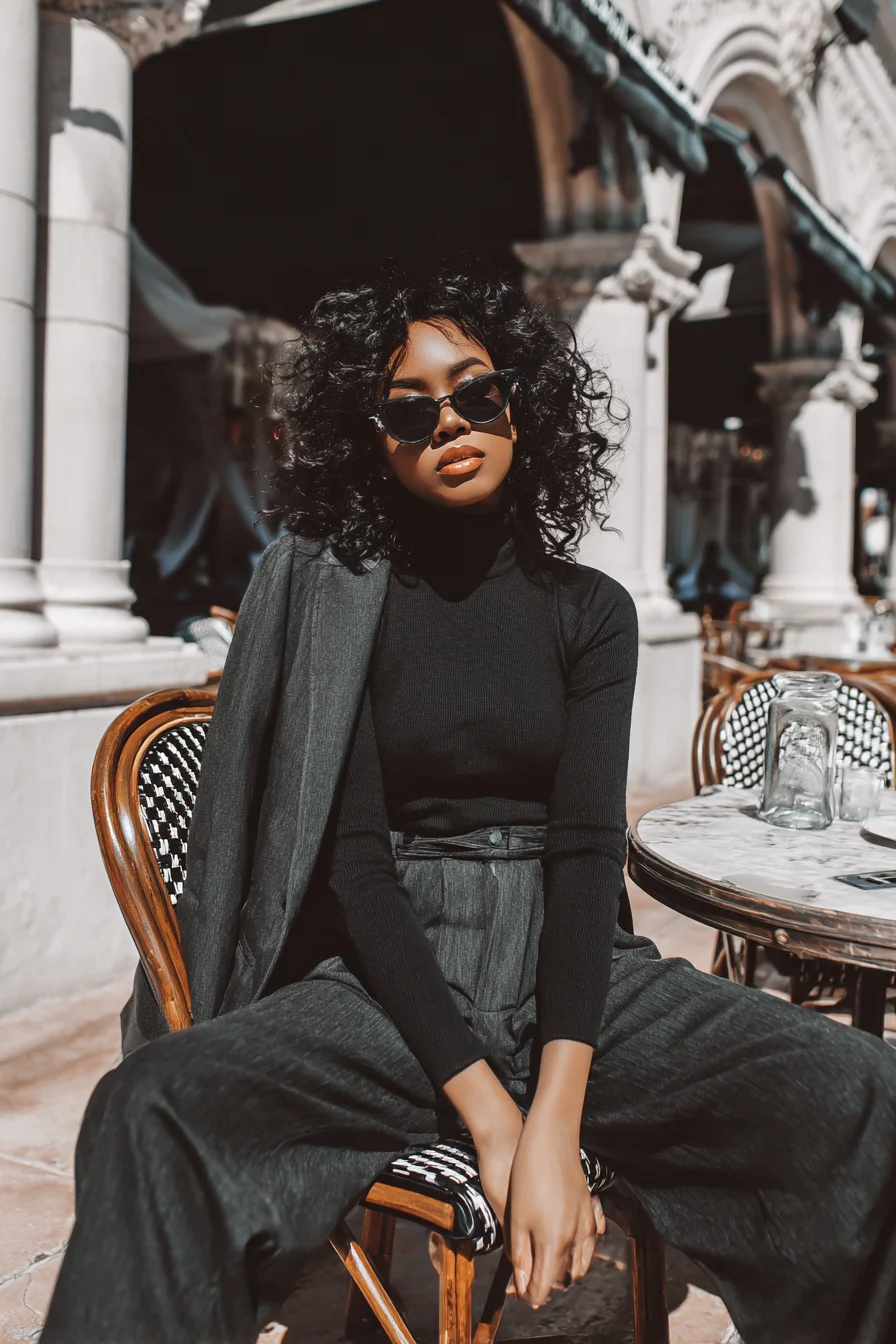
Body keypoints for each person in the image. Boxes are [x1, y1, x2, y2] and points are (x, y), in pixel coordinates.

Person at [43, 268, 896, 1344]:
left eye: (474, 392)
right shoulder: (341, 601)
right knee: (149, 1105)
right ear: (373, 439)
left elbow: (585, 857)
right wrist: (494, 1122)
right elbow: (353, 868)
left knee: (861, 1092)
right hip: (393, 966)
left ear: (520, 403)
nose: (447, 421)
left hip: (572, 964)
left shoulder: (590, 613)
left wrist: (554, 1117)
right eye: (408, 408)